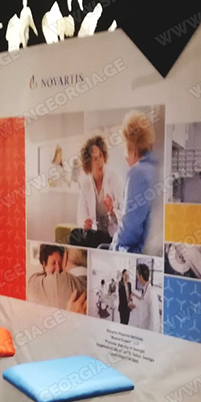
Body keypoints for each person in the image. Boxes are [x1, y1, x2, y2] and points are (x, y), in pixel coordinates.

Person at [110, 111, 159, 254]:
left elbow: (129, 232)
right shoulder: (155, 168)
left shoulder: (137, 173)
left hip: (138, 254)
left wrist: (113, 246)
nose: (125, 155)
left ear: (131, 146)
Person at [74, 135, 124, 248]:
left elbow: (124, 214)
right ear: (88, 162)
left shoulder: (115, 179)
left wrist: (112, 211)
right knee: (74, 234)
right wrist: (85, 223)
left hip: (112, 235)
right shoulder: (85, 185)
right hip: (95, 234)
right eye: (95, 159)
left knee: (95, 239)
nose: (100, 162)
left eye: (101, 156)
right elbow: (81, 216)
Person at [27, 245, 87, 313]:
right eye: (53, 263)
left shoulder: (66, 281)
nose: (58, 268)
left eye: (60, 262)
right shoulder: (39, 284)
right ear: (44, 264)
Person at [133, 263, 160, 332]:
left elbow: (155, 322)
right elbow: (144, 305)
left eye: (137, 275)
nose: (137, 277)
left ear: (141, 276)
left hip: (147, 333)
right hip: (142, 329)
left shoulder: (151, 293)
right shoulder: (145, 290)